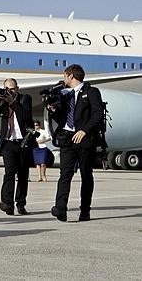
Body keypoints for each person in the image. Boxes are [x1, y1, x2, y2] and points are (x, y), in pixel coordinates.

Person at [48, 64, 103, 222]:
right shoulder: (64, 95)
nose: (63, 79)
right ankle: (60, 208)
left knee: (86, 175)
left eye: (65, 76)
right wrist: (53, 110)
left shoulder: (91, 92)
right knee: (65, 174)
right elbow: (62, 118)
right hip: (67, 139)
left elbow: (97, 114)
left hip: (84, 139)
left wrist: (84, 130)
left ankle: (85, 210)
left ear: (71, 76)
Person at [0, 78, 34, 216]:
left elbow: (25, 116)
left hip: (23, 142)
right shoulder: (2, 101)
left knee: (23, 175)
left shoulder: (25, 98)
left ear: (17, 88)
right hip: (7, 142)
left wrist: (12, 102)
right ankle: (7, 203)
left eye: (12, 89)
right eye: (7, 89)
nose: (9, 91)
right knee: (9, 173)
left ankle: (21, 204)